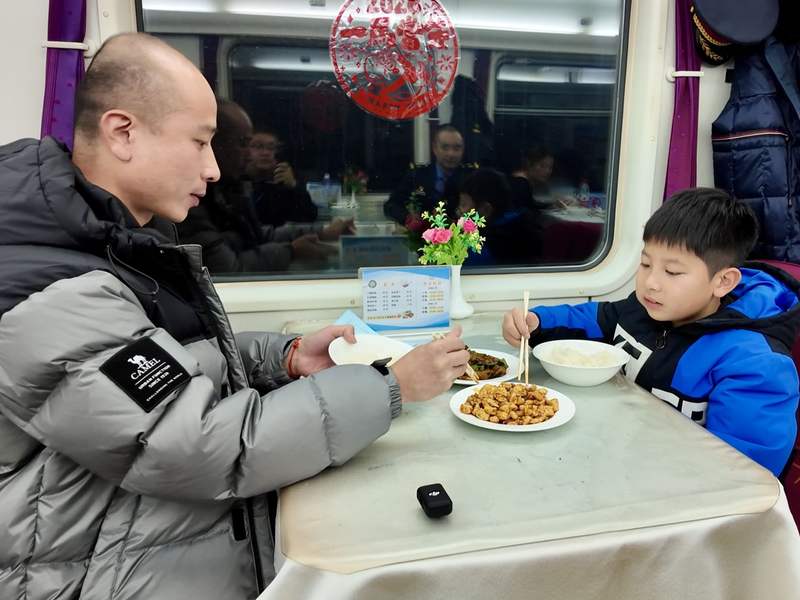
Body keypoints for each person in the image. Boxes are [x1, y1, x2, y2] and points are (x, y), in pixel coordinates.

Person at [0, 33, 470, 599]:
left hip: (140, 539)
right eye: (200, 143)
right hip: (100, 572)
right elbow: (197, 444)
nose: (215, 168)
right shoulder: (49, 288)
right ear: (122, 132)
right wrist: (390, 386)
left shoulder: (109, 240)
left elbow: (158, 366)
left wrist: (285, 357)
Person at [502, 188, 800, 476]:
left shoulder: (756, 364)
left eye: (672, 272)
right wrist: (535, 322)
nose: (651, 283)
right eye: (645, 264)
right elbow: (588, 318)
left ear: (723, 282)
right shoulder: (641, 310)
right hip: (620, 457)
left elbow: (743, 473)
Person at [177, 99, 352, 273]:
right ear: (214, 144)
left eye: (271, 148)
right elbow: (230, 270)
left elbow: (259, 234)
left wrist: (321, 230)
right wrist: (290, 250)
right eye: (246, 144)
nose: (252, 154)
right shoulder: (192, 200)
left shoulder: (232, 189)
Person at [383, 124, 470, 228]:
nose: (451, 153)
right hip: (422, 239)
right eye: (445, 147)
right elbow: (391, 206)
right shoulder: (417, 175)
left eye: (456, 148)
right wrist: (408, 219)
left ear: (463, 150)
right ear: (434, 148)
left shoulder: (471, 178)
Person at [457, 169, 545, 266]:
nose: (459, 210)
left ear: (486, 210)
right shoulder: (526, 225)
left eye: (463, 204)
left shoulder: (478, 248)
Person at [247, 130, 319, 227]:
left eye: (271, 148)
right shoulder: (237, 181)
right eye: (258, 146)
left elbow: (310, 216)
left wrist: (294, 187)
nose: (265, 153)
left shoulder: (282, 181)